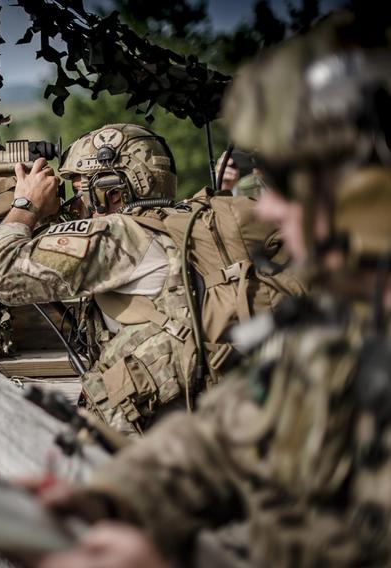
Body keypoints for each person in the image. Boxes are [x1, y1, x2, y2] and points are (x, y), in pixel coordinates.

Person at [29, 11, 391, 567]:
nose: (266, 206)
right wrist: (119, 498)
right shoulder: (346, 321)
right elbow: (236, 430)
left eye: (291, 183)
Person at [0, 123, 301, 435]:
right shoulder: (180, 224)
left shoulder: (122, 236)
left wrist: (25, 204)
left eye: (80, 190)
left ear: (111, 193)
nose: (74, 204)